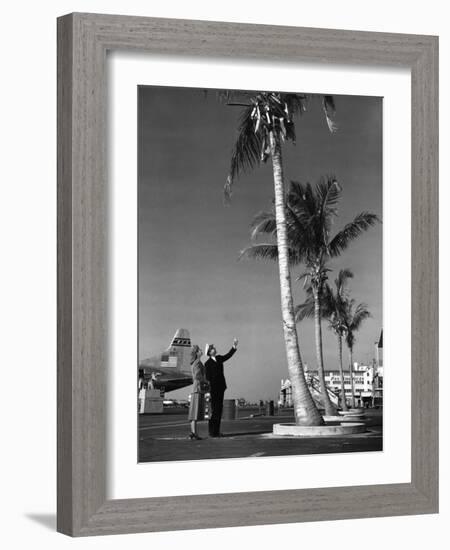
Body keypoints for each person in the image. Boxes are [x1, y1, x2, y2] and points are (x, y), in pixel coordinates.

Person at [204, 339, 238, 438]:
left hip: (221, 387)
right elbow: (208, 379)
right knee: (214, 411)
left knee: (219, 410)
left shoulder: (219, 358)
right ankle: (212, 432)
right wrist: (208, 392)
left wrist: (234, 347)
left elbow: (228, 355)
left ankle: (216, 432)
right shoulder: (207, 364)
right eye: (213, 348)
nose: (215, 348)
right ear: (210, 352)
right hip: (213, 390)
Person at [187, 345, 209, 440]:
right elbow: (197, 376)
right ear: (197, 353)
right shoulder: (197, 363)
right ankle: (193, 433)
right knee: (194, 413)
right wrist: (206, 380)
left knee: (194, 413)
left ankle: (194, 433)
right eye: (199, 350)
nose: (201, 350)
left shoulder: (197, 362)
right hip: (197, 389)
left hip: (197, 389)